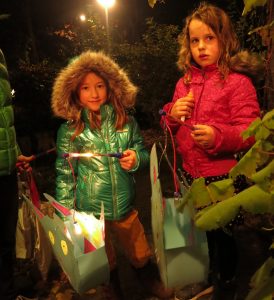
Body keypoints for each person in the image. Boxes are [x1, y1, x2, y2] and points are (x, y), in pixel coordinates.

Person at [160, 3, 269, 300]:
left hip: (221, 178)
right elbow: (170, 125)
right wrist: (171, 113)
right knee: (202, 233)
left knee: (225, 236)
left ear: (225, 39)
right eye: (194, 41)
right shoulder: (184, 83)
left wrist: (218, 136)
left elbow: (250, 131)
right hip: (191, 174)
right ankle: (208, 276)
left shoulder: (237, 83)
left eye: (209, 38)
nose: (201, 47)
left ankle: (227, 282)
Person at [51, 51, 174, 299]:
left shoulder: (126, 123)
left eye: (99, 86)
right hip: (91, 211)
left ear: (110, 87)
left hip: (125, 206)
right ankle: (112, 289)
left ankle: (149, 281)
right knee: (104, 258)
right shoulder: (70, 132)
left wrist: (135, 159)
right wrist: (65, 213)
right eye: (85, 88)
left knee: (139, 250)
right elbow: (65, 174)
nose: (94, 93)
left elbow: (140, 150)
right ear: (75, 92)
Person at [0, 48, 34, 300]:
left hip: (6, 169)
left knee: (6, 237)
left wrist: (13, 152)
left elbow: (3, 118)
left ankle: (8, 289)